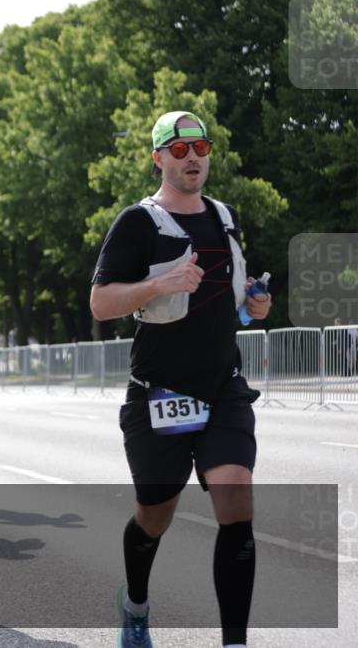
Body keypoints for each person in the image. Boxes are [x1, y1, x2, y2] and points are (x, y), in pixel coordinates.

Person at [90, 111, 272, 648]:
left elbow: (230, 300)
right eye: (179, 148)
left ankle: (234, 641)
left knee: (236, 500)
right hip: (160, 395)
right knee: (155, 514)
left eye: (201, 146)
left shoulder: (225, 216)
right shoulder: (137, 222)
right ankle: (137, 603)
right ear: (158, 158)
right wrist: (159, 283)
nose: (193, 156)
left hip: (222, 388)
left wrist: (254, 304)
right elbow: (100, 303)